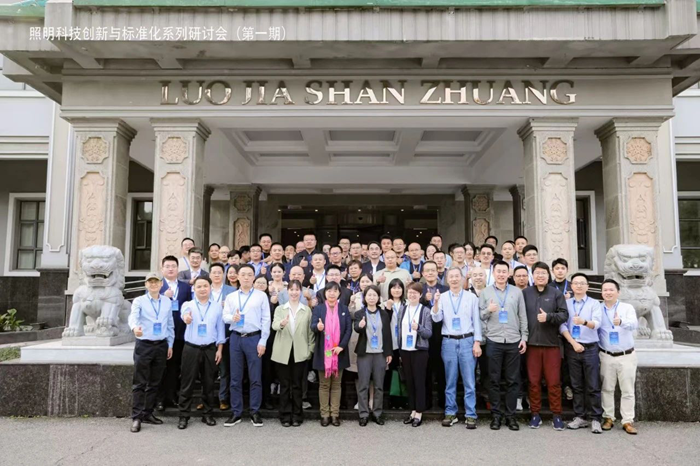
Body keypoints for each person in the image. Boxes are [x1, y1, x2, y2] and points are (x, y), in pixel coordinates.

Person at [479, 260, 528, 431]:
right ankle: (496, 415)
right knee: (493, 380)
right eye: (498, 271)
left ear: (509, 273)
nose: (501, 274)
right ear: (493, 273)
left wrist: (524, 337)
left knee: (513, 380)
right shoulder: (485, 292)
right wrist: (488, 310)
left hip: (513, 340)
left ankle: (511, 416)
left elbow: (522, 316)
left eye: (503, 271)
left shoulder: (516, 292)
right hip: (494, 340)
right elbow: (480, 316)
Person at [431, 268, 482, 429]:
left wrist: (477, 342)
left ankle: (471, 414)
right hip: (449, 342)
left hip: (467, 340)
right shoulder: (442, 297)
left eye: (456, 276)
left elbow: (476, 321)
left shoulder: (471, 297)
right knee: (450, 380)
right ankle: (450, 412)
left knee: (469, 381)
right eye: (451, 277)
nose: (454, 279)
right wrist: (435, 303)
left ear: (462, 278)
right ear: (447, 280)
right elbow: (436, 318)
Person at [222, 264, 271, 428]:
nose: (246, 277)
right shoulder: (231, 297)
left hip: (253, 338)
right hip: (236, 338)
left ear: (254, 277)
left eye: (250, 274)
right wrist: (232, 318)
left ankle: (254, 411)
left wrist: (263, 341)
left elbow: (266, 319)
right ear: (238, 276)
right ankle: (236, 412)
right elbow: (224, 316)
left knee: (255, 377)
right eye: (243, 274)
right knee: (235, 377)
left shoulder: (261, 296)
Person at [523, 261, 568, 430]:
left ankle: (557, 415)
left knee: (553, 382)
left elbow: (564, 315)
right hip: (531, 345)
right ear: (532, 275)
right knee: (533, 382)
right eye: (537, 273)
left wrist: (548, 317)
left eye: (543, 273)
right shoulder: (526, 293)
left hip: (551, 345)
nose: (540, 276)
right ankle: (535, 414)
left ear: (548, 275)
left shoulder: (556, 293)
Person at [128, 272, 174, 433]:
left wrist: (170, 344)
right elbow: (133, 317)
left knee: (155, 382)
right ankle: (136, 417)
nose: (153, 284)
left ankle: (148, 413)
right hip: (144, 345)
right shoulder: (139, 301)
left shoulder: (167, 301)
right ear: (146, 284)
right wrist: (135, 328)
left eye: (156, 282)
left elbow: (170, 324)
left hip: (161, 345)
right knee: (140, 382)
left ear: (161, 284)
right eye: (150, 282)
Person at [177, 276, 225, 429]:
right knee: (187, 383)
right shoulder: (188, 305)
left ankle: (208, 414)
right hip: (191, 348)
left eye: (205, 286)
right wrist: (186, 318)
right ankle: (184, 415)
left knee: (209, 383)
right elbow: (184, 314)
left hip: (210, 349)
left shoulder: (217, 307)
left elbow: (220, 329)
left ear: (210, 288)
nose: (202, 289)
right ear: (194, 289)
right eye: (199, 286)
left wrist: (219, 350)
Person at [559, 272, 603, 433]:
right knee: (576, 385)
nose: (578, 285)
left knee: (593, 385)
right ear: (571, 286)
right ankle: (580, 416)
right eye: (576, 283)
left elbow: (597, 324)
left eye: (582, 283)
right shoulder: (566, 303)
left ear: (587, 286)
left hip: (590, 347)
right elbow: (562, 325)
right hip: (572, 347)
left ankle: (596, 418)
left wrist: (583, 322)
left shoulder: (594, 303)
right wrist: (573, 343)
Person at [271, 280, 315, 427]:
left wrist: (310, 349)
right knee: (284, 385)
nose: (294, 292)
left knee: (297, 385)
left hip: (300, 351)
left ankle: (297, 415)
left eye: (297, 290)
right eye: (291, 290)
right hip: (283, 351)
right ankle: (284, 415)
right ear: (287, 291)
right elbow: (274, 325)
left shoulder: (306, 310)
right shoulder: (280, 309)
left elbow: (310, 332)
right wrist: (281, 324)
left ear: (300, 292)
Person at [598, 279, 639, 435]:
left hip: (626, 355)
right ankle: (608, 417)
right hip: (606, 355)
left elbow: (634, 324)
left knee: (627, 390)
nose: (608, 292)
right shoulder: (598, 308)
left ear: (618, 292)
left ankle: (627, 420)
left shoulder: (627, 308)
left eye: (611, 290)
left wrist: (621, 322)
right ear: (601, 292)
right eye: (605, 290)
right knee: (607, 388)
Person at [311, 282, 352, 427]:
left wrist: (341, 346)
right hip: (324, 352)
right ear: (325, 293)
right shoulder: (319, 309)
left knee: (336, 385)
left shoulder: (344, 309)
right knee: (324, 385)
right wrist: (318, 326)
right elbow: (312, 326)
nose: (332, 293)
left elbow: (348, 330)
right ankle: (324, 415)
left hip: (339, 352)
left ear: (339, 293)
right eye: (329, 291)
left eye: (335, 291)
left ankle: (335, 414)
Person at [157, 256, 192, 411]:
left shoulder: (185, 287)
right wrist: (164, 297)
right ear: (162, 269)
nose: (170, 269)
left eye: (173, 266)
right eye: (167, 266)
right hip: (161, 333)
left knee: (175, 367)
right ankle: (160, 399)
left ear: (178, 269)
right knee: (161, 367)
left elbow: (190, 306)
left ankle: (172, 396)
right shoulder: (157, 286)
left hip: (180, 332)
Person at [354, 284, 393, 426]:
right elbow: (356, 328)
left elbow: (387, 334)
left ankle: (377, 413)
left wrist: (389, 352)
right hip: (364, 354)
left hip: (380, 354)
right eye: (369, 295)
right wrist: (360, 326)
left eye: (374, 295)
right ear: (365, 297)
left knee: (379, 386)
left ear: (378, 298)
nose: (371, 298)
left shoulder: (383, 314)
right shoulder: (360, 313)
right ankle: (363, 414)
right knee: (363, 385)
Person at [399, 282, 433, 427]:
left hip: (419, 351)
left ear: (420, 295)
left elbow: (428, 333)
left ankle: (419, 411)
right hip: (405, 350)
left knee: (419, 381)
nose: (412, 295)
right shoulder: (403, 309)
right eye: (410, 292)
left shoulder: (425, 311)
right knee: (409, 382)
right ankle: (412, 410)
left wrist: (418, 327)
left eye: (415, 293)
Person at [421, 260, 449, 410]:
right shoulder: (419, 289)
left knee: (442, 369)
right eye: (427, 270)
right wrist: (424, 300)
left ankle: (443, 402)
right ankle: (426, 402)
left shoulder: (445, 289)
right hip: (424, 334)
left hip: (442, 333)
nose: (430, 273)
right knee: (425, 370)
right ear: (423, 273)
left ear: (438, 272)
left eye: (433, 270)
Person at [209, 263, 236, 410]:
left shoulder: (231, 291)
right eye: (214, 272)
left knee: (225, 368)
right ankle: (206, 398)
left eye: (219, 272)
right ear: (210, 275)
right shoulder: (204, 289)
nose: (217, 275)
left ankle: (223, 398)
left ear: (223, 274)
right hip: (207, 334)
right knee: (207, 369)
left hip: (226, 333)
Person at [348, 273, 375, 408]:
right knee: (358, 370)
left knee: (372, 372)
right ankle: (361, 400)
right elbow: (350, 315)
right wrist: (352, 304)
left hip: (374, 337)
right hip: (357, 335)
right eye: (362, 281)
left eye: (367, 281)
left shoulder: (377, 296)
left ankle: (372, 400)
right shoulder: (355, 296)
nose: (365, 283)